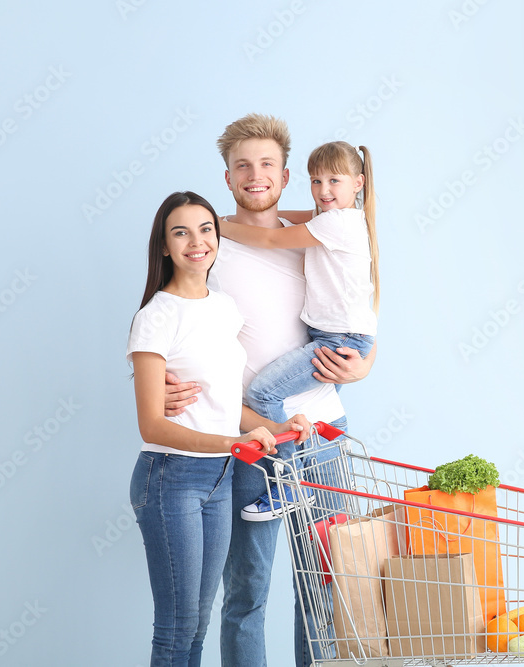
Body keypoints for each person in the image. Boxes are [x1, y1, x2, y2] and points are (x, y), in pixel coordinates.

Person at [162, 115, 376, 667]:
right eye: (242, 166)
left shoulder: (316, 232)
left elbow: (355, 309)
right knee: (248, 590)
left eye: (266, 165)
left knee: (326, 586)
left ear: (284, 177)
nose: (255, 175)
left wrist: (365, 365)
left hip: (325, 432)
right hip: (255, 436)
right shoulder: (209, 250)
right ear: (227, 178)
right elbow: (164, 329)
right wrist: (158, 384)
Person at [127, 190, 312, 666]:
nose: (197, 241)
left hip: (220, 478)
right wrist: (233, 442)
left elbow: (226, 404)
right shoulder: (155, 318)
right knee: (176, 627)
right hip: (171, 477)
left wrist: (275, 425)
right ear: (164, 246)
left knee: (199, 622)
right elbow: (152, 424)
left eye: (205, 229)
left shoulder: (225, 307)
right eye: (180, 232)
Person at [224, 141, 379, 521]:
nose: (324, 191)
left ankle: (289, 485)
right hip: (331, 335)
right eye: (316, 181)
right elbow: (289, 219)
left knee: (263, 391)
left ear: (358, 183)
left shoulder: (337, 223)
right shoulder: (340, 217)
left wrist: (217, 223)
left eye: (334, 181)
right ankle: (297, 477)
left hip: (338, 340)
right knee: (323, 550)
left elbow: (272, 237)